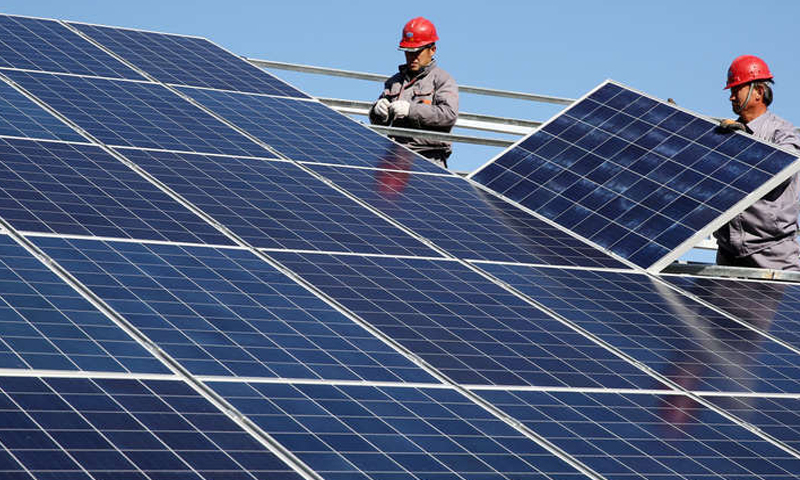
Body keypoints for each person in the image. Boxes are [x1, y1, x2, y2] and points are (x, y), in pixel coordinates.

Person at [713, 55, 800, 271]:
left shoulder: (783, 133)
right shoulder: (726, 132)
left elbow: (781, 168)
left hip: (774, 257)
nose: (732, 98)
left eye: (737, 90)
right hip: (729, 257)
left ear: (759, 92)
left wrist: (746, 145)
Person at [369, 17, 459, 169]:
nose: (412, 57)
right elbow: (377, 120)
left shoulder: (442, 80)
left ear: (432, 50)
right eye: (408, 52)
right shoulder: (394, 82)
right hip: (395, 160)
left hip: (429, 160)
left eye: (417, 52)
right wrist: (377, 111)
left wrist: (411, 110)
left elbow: (448, 115)